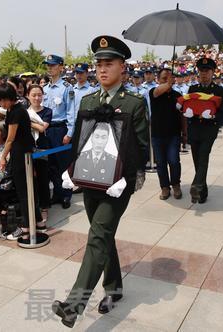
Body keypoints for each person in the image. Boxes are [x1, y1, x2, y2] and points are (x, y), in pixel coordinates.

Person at [52, 35, 149, 328]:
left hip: (118, 183)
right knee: (101, 233)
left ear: (123, 67)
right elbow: (82, 142)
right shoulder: (88, 100)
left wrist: (128, 177)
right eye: (99, 65)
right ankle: (114, 288)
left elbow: (141, 146)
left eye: (109, 64)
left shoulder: (133, 102)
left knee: (98, 235)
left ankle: (73, 304)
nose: (103, 69)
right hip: (91, 178)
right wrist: (72, 170)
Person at [0, 83, 43, 240]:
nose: (2, 103)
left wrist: (3, 157)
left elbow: (10, 138)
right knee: (26, 188)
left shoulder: (17, 111)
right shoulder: (12, 110)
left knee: (24, 190)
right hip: (21, 151)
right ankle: (37, 220)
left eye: (4, 100)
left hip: (22, 153)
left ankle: (27, 225)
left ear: (11, 98)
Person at [186, 57, 223, 204]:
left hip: (209, 129)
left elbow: (222, 112)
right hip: (195, 128)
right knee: (197, 159)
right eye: (201, 71)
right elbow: (187, 106)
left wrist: (213, 115)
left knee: (203, 155)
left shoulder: (218, 90)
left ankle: (196, 185)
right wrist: (186, 111)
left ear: (213, 72)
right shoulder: (193, 89)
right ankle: (202, 191)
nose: (204, 74)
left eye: (207, 71)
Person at [43, 54, 75, 209]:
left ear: (61, 67)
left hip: (60, 129)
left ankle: (66, 195)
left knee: (63, 164)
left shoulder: (67, 88)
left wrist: (69, 133)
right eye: (48, 65)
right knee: (51, 165)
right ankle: (56, 193)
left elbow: (71, 112)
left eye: (53, 65)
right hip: (47, 130)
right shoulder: (44, 89)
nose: (50, 68)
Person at [149, 67, 185, 200]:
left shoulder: (178, 96)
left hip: (173, 135)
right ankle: (164, 187)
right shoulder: (154, 92)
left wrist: (185, 133)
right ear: (158, 80)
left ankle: (176, 184)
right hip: (157, 135)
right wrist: (167, 83)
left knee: (174, 161)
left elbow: (183, 116)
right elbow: (159, 91)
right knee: (161, 163)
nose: (167, 81)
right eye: (163, 78)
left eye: (169, 78)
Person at [27, 84, 52, 226]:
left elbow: (42, 128)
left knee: (43, 178)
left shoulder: (47, 111)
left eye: (39, 95)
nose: (37, 98)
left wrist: (27, 122)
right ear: (28, 96)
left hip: (42, 149)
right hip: (28, 149)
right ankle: (33, 207)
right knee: (31, 179)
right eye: (34, 95)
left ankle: (44, 207)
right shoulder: (25, 111)